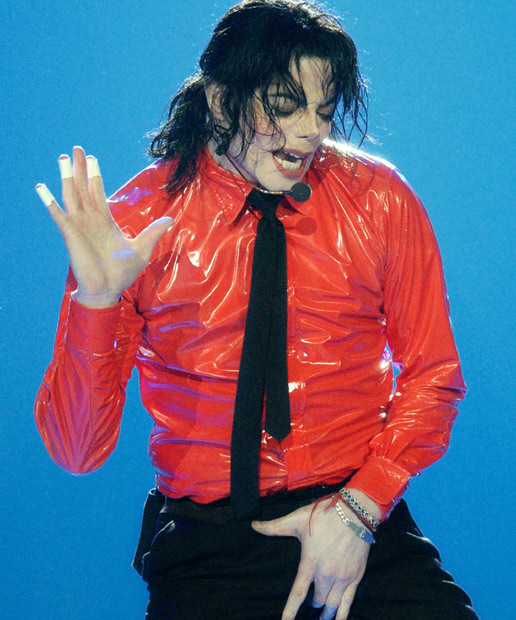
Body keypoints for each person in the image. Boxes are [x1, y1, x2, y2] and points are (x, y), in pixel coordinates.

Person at [34, 1, 479, 619]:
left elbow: (434, 376)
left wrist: (359, 509)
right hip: (212, 545)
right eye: (284, 106)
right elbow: (77, 451)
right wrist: (97, 301)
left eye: (323, 110)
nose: (309, 132)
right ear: (221, 102)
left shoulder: (380, 200)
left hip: (356, 515)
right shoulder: (136, 226)